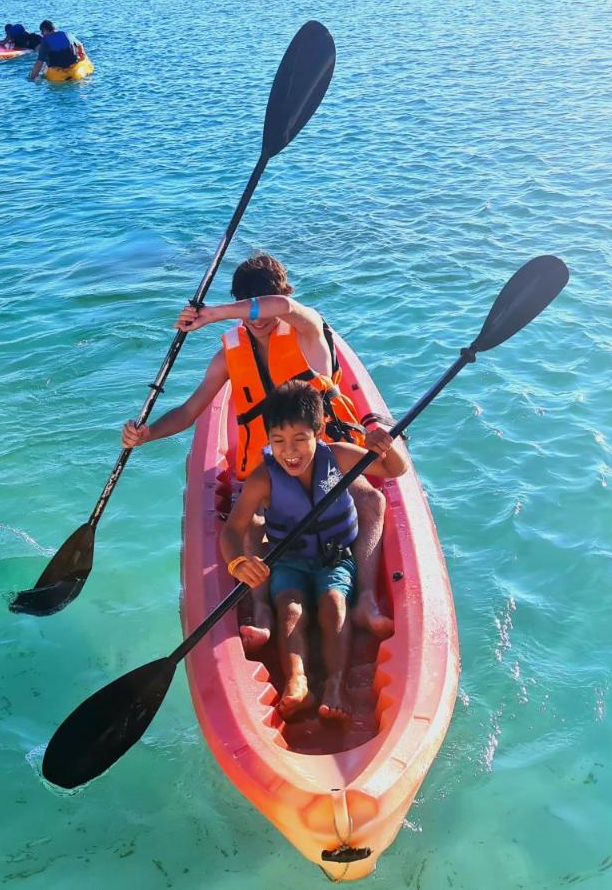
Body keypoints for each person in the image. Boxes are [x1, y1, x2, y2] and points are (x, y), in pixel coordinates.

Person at [122, 254, 397, 649]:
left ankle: (367, 599)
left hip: (322, 461)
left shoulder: (307, 332)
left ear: (282, 295)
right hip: (268, 470)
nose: (257, 317)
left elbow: (282, 308)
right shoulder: (229, 356)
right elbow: (188, 411)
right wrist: (145, 435)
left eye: (260, 302)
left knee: (371, 501)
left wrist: (212, 314)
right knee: (246, 520)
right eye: (247, 305)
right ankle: (262, 609)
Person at [221, 381, 407, 719]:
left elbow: (395, 470)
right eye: (278, 442)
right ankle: (298, 682)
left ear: (318, 432)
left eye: (299, 440)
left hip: (335, 558)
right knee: (290, 608)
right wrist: (237, 562)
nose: (289, 451)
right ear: (268, 440)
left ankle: (335, 685)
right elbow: (232, 530)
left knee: (334, 604)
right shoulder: (263, 478)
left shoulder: (338, 455)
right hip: (288, 561)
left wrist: (386, 447)